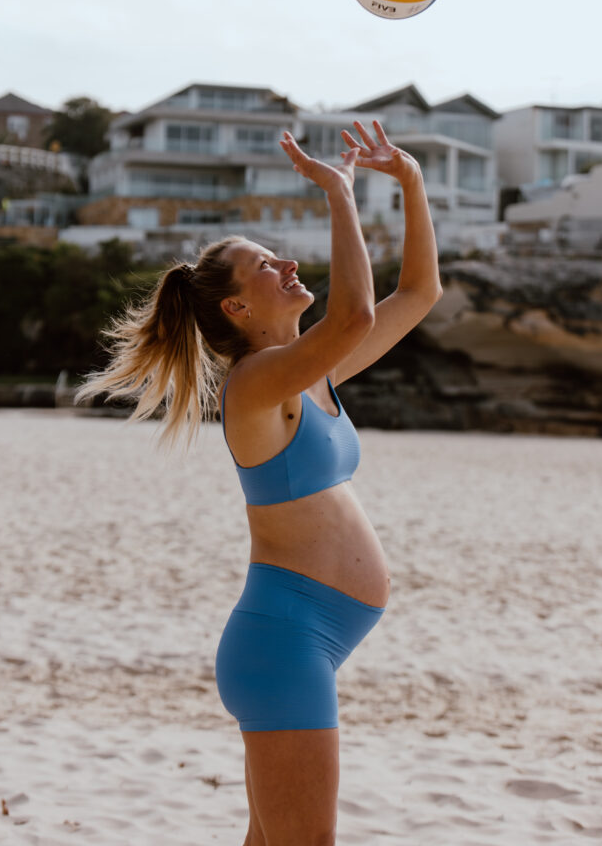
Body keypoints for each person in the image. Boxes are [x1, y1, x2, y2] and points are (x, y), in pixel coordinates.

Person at [76, 120, 442, 845]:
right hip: (285, 646)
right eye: (265, 265)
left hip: (306, 641)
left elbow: (420, 292)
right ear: (238, 311)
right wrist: (337, 190)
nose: (285, 264)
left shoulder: (314, 374)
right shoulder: (253, 385)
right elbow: (355, 312)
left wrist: (410, 183)